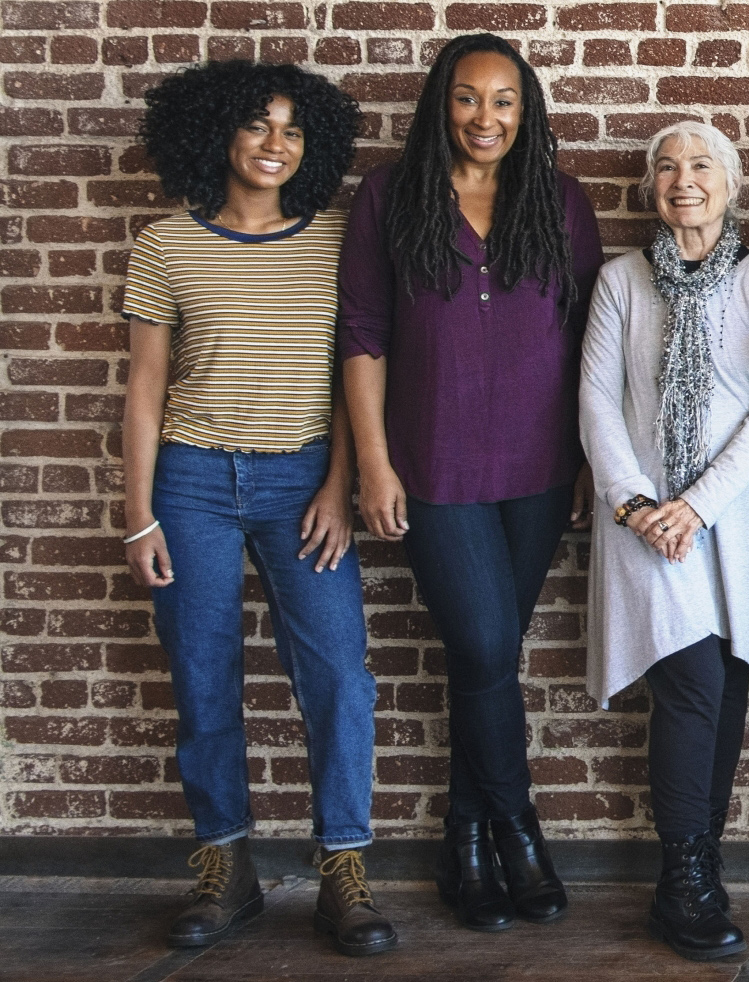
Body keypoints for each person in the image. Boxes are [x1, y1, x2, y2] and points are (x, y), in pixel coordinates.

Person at [121, 59, 396, 957]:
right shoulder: (167, 246)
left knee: (337, 675)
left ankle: (344, 869)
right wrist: (139, 514)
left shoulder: (335, 240)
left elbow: (354, 371)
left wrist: (341, 486)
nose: (275, 144)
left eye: (293, 129)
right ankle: (225, 865)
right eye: (256, 125)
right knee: (203, 673)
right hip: (192, 482)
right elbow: (146, 391)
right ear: (217, 136)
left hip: (301, 482)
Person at [338, 32, 601, 933]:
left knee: (482, 658)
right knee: (488, 647)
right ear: (438, 104)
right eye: (466, 97)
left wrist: (585, 463)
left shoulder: (559, 201)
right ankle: (518, 827)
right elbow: (364, 335)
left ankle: (465, 838)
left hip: (536, 469)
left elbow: (587, 347)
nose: (484, 118)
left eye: (503, 101)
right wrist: (373, 462)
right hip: (434, 465)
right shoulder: (387, 197)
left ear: (525, 114)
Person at [580, 120, 749, 962]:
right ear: (652, 189)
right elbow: (597, 402)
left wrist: (699, 503)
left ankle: (699, 866)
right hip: (645, 527)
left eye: (702, 166)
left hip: (736, 520)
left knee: (722, 686)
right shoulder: (621, 282)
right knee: (686, 683)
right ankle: (681, 881)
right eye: (668, 168)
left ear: (733, 182)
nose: (684, 180)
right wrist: (638, 503)